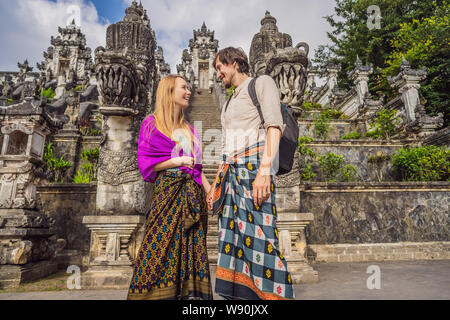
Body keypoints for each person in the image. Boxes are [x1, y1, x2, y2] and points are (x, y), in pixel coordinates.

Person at [207, 47, 295, 300]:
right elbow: (225, 147)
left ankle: (276, 296)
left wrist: (264, 172)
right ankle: (241, 298)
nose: (218, 74)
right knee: (232, 240)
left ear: (234, 63)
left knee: (263, 237)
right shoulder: (228, 103)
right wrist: (215, 185)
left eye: (220, 67)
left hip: (254, 168)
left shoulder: (261, 83)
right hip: (230, 174)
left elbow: (274, 126)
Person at [128, 75, 213, 300]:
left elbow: (198, 168)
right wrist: (175, 161)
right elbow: (146, 163)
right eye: (184, 88)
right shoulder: (152, 123)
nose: (189, 92)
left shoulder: (190, 129)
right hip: (168, 192)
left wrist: (210, 191)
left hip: (192, 196)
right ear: (169, 92)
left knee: (191, 251)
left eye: (188, 88)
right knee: (158, 248)